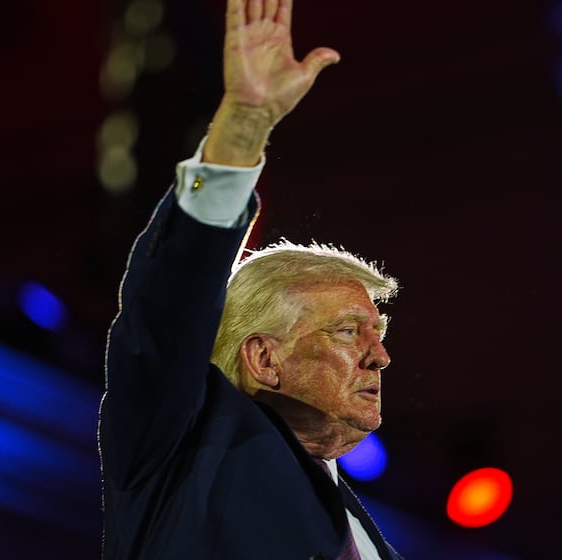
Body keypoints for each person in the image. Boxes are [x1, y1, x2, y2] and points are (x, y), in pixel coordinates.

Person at [99, 1, 403, 558]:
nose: (380, 356)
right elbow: (171, 304)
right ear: (264, 359)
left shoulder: (371, 539)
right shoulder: (180, 448)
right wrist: (244, 122)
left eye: (376, 332)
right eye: (346, 332)